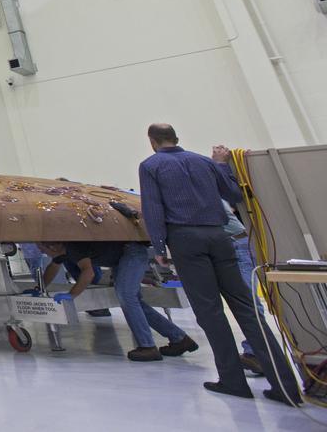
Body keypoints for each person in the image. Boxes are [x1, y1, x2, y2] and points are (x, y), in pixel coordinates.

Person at [139, 124, 302, 405]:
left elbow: (153, 207)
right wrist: (222, 166)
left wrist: (159, 247)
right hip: (220, 237)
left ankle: (232, 380)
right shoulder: (205, 162)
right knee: (247, 309)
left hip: (185, 240)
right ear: (177, 139)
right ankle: (286, 386)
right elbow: (234, 194)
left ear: (152, 142)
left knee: (210, 312)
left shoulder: (151, 166)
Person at [37, 240, 197, 361]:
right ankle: (180, 339)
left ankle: (147, 347)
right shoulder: (63, 251)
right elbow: (53, 267)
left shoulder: (72, 247)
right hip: (123, 257)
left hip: (131, 253)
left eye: (43, 249)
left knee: (127, 296)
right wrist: (39, 288)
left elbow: (88, 273)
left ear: (53, 246)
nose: (42, 252)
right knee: (134, 301)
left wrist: (72, 295)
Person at [213, 145, 265, 377]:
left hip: (237, 244)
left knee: (248, 300)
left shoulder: (210, 188)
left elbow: (232, 195)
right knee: (246, 300)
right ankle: (257, 352)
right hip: (232, 244)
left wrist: (220, 164)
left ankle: (258, 353)